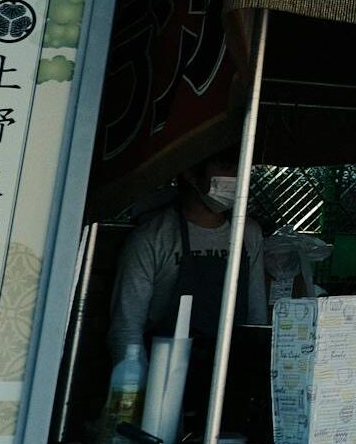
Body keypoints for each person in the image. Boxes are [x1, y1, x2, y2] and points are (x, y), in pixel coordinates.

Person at [107, 151, 267, 421]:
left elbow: (256, 316)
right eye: (227, 165)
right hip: (164, 377)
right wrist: (147, 402)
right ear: (190, 173)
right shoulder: (153, 238)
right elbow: (126, 328)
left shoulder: (248, 234)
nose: (237, 177)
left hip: (231, 376)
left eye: (242, 167)